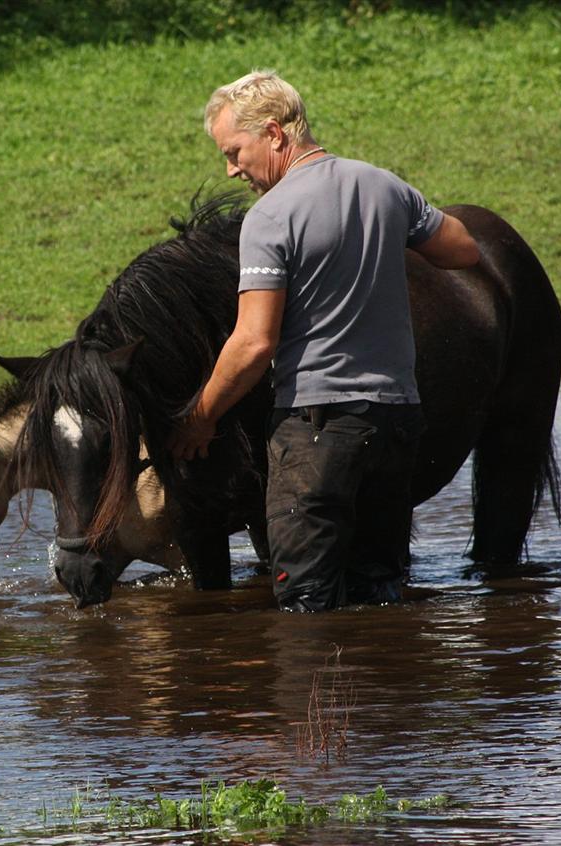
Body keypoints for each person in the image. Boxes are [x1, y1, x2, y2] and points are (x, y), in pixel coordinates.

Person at [168, 70, 480, 611]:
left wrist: (201, 416)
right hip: (397, 421)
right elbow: (464, 250)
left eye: (235, 151)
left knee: (306, 603)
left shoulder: (269, 217)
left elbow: (254, 343)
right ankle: (385, 688)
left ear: (273, 133)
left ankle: (319, 697)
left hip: (319, 429)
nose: (231, 168)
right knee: (381, 591)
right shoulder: (385, 186)